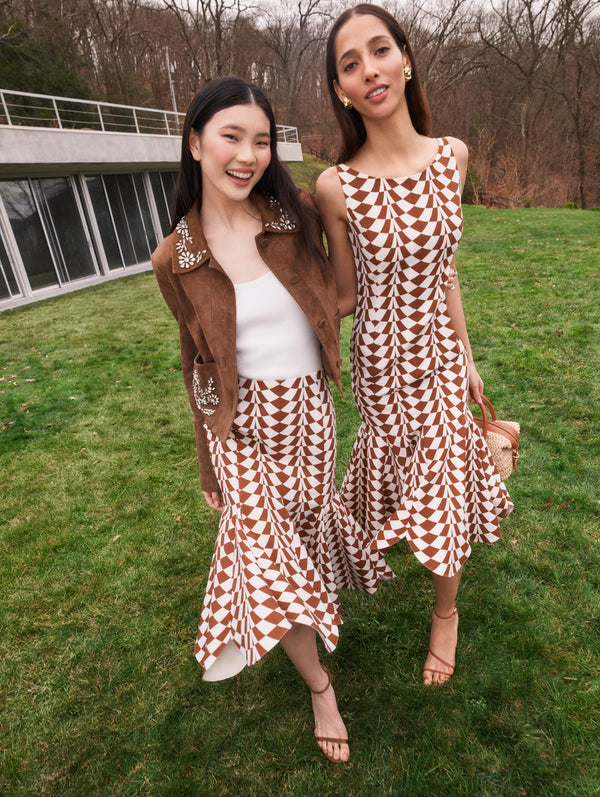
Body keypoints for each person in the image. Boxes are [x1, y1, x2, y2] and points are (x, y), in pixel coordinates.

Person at [152, 76, 393, 762]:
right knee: (265, 559)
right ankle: (320, 685)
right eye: (231, 136)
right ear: (196, 142)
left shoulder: (297, 218)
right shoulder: (175, 258)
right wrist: (208, 461)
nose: (247, 153)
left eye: (261, 139)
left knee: (303, 543)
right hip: (243, 428)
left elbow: (343, 291)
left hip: (311, 414)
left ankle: (312, 622)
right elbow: (195, 361)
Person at [315, 4, 514, 686]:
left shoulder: (451, 156)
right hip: (378, 369)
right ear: (342, 90)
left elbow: (447, 267)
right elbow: (342, 296)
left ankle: (446, 612)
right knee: (399, 480)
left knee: (444, 485)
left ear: (407, 58)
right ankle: (402, 542)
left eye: (379, 50)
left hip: (434, 360)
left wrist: (466, 353)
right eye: (350, 63)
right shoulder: (335, 188)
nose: (368, 68)